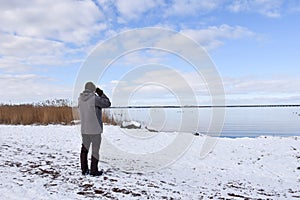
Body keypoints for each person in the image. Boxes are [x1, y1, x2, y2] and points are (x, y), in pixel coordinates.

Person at [78, 82, 111, 176]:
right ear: (93, 89)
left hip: (84, 129)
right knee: (95, 151)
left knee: (84, 150)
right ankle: (94, 171)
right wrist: (101, 93)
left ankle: (84, 170)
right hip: (95, 130)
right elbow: (107, 103)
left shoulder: (80, 99)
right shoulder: (95, 98)